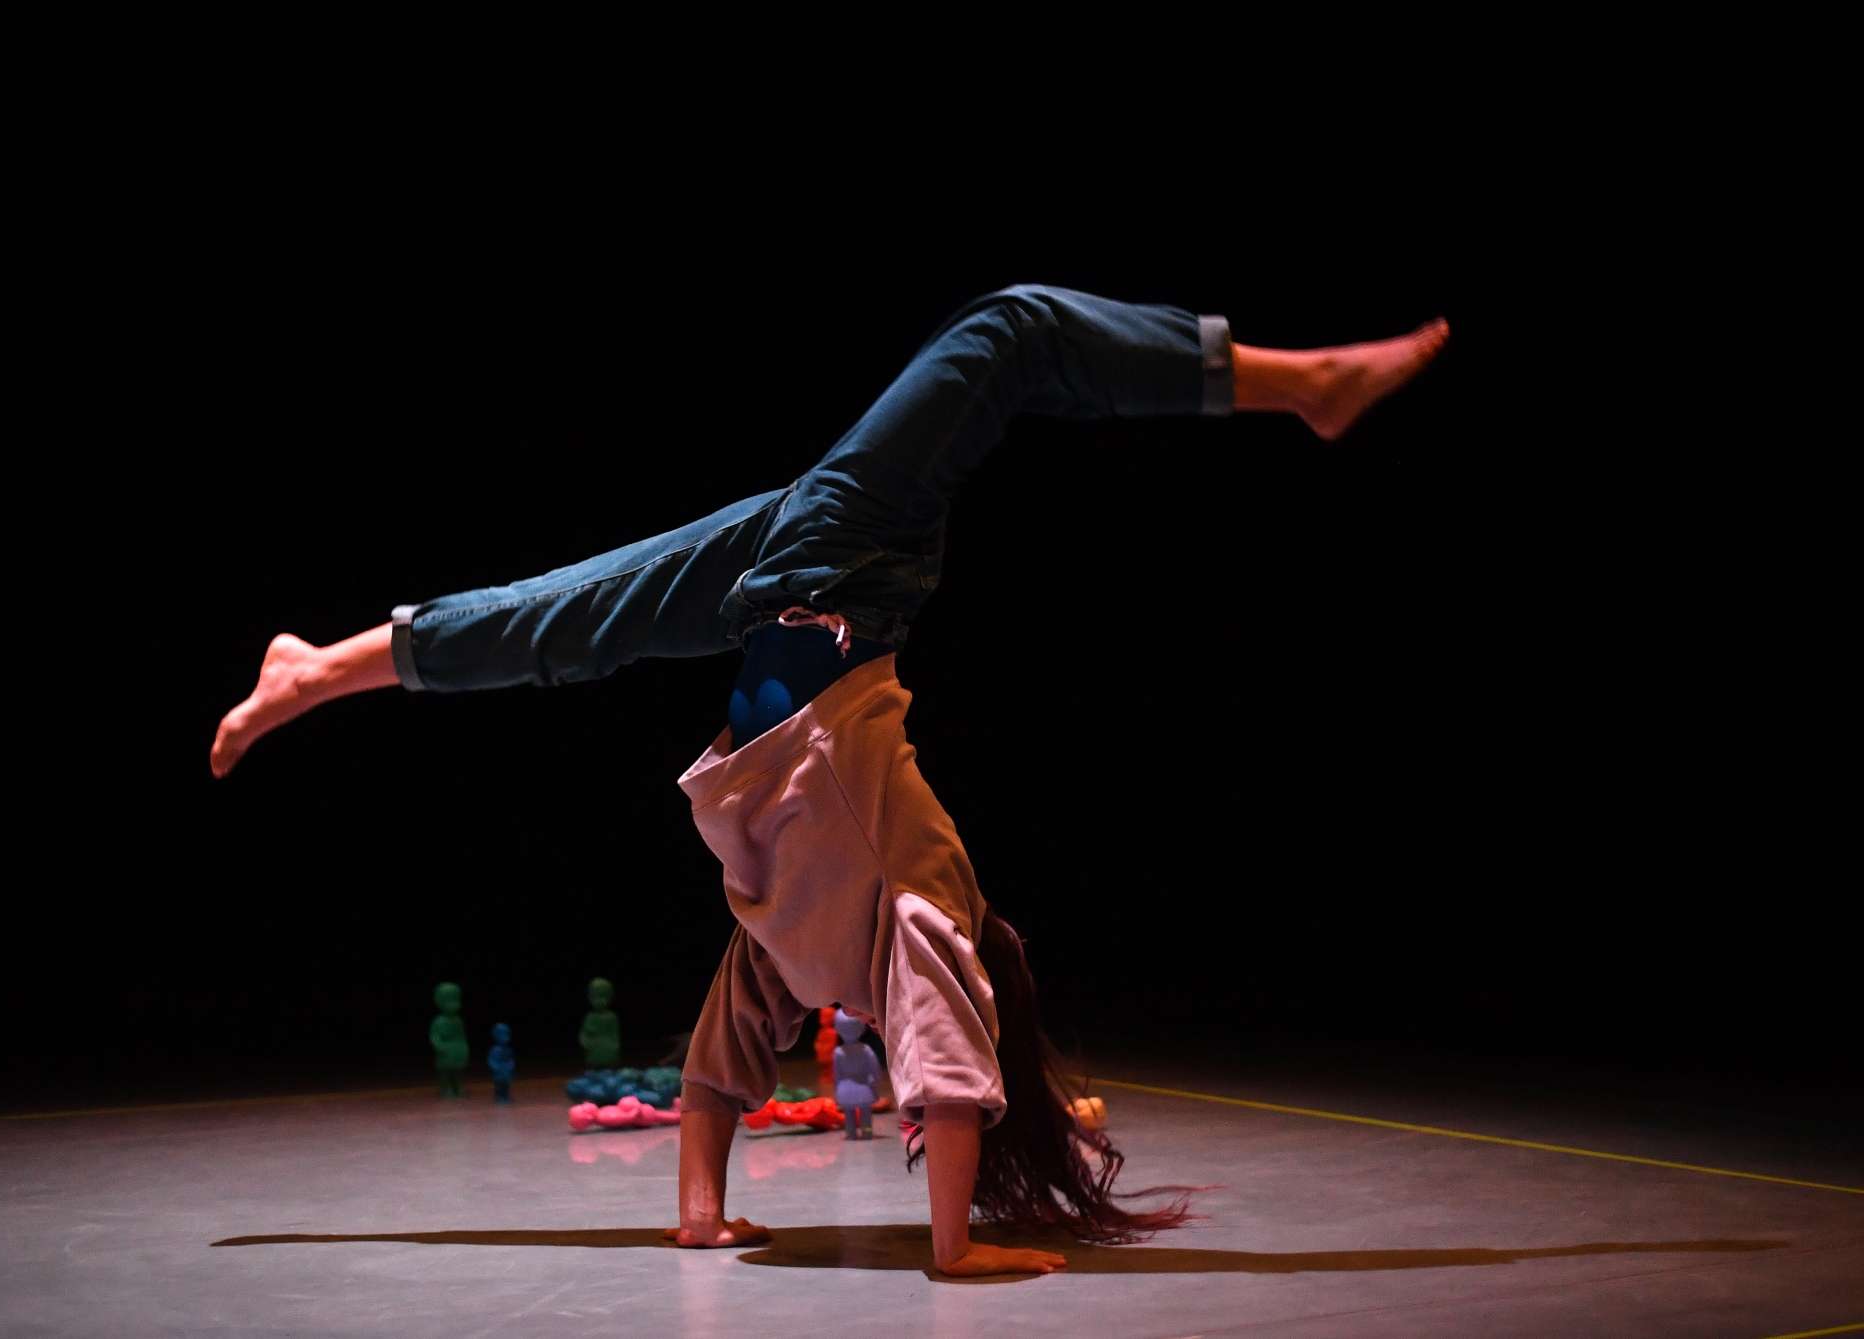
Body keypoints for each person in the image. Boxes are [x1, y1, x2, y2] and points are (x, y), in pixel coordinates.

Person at [211, 283, 1448, 1277]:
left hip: (832, 591)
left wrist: (958, 1247)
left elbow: (935, 1074)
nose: (988, 945)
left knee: (1007, 331)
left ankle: (1307, 388)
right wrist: (698, 1213)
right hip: (807, 619)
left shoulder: (912, 926)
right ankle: (319, 668)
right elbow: (717, 1072)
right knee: (568, 620)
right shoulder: (801, 949)